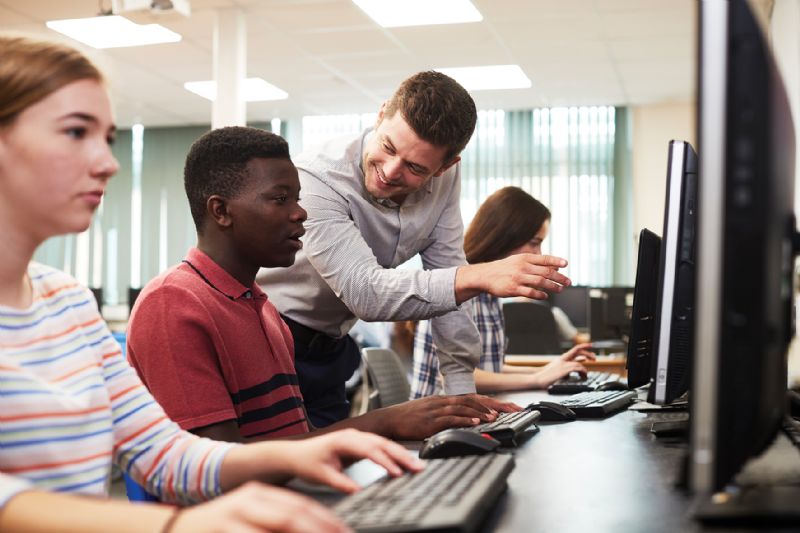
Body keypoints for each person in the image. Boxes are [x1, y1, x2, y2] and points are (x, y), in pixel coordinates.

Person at [0, 34, 422, 533]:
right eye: (75, 132)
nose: (108, 163)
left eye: (109, 139)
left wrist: (320, 446)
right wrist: (175, 526)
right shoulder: (172, 302)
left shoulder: (66, 302)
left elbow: (162, 453)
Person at [127, 126, 517, 444]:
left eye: (296, 197)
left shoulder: (261, 308)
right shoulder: (173, 304)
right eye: (280, 199)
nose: (301, 212)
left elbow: (300, 442)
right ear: (221, 211)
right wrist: (383, 423)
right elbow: (217, 469)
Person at [257, 71, 572, 427]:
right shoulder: (316, 177)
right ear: (380, 117)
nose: (391, 172)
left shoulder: (444, 179)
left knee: (331, 472)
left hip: (331, 346)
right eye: (388, 147)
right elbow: (366, 293)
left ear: (446, 166)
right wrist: (480, 275)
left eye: (415, 167)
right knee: (284, 466)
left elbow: (447, 272)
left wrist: (461, 396)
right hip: (267, 342)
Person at [411, 187, 596, 398]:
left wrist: (551, 370)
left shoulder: (490, 294)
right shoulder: (458, 285)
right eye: (534, 243)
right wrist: (535, 379)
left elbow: (490, 369)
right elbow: (454, 376)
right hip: (439, 427)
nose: (538, 254)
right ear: (505, 237)